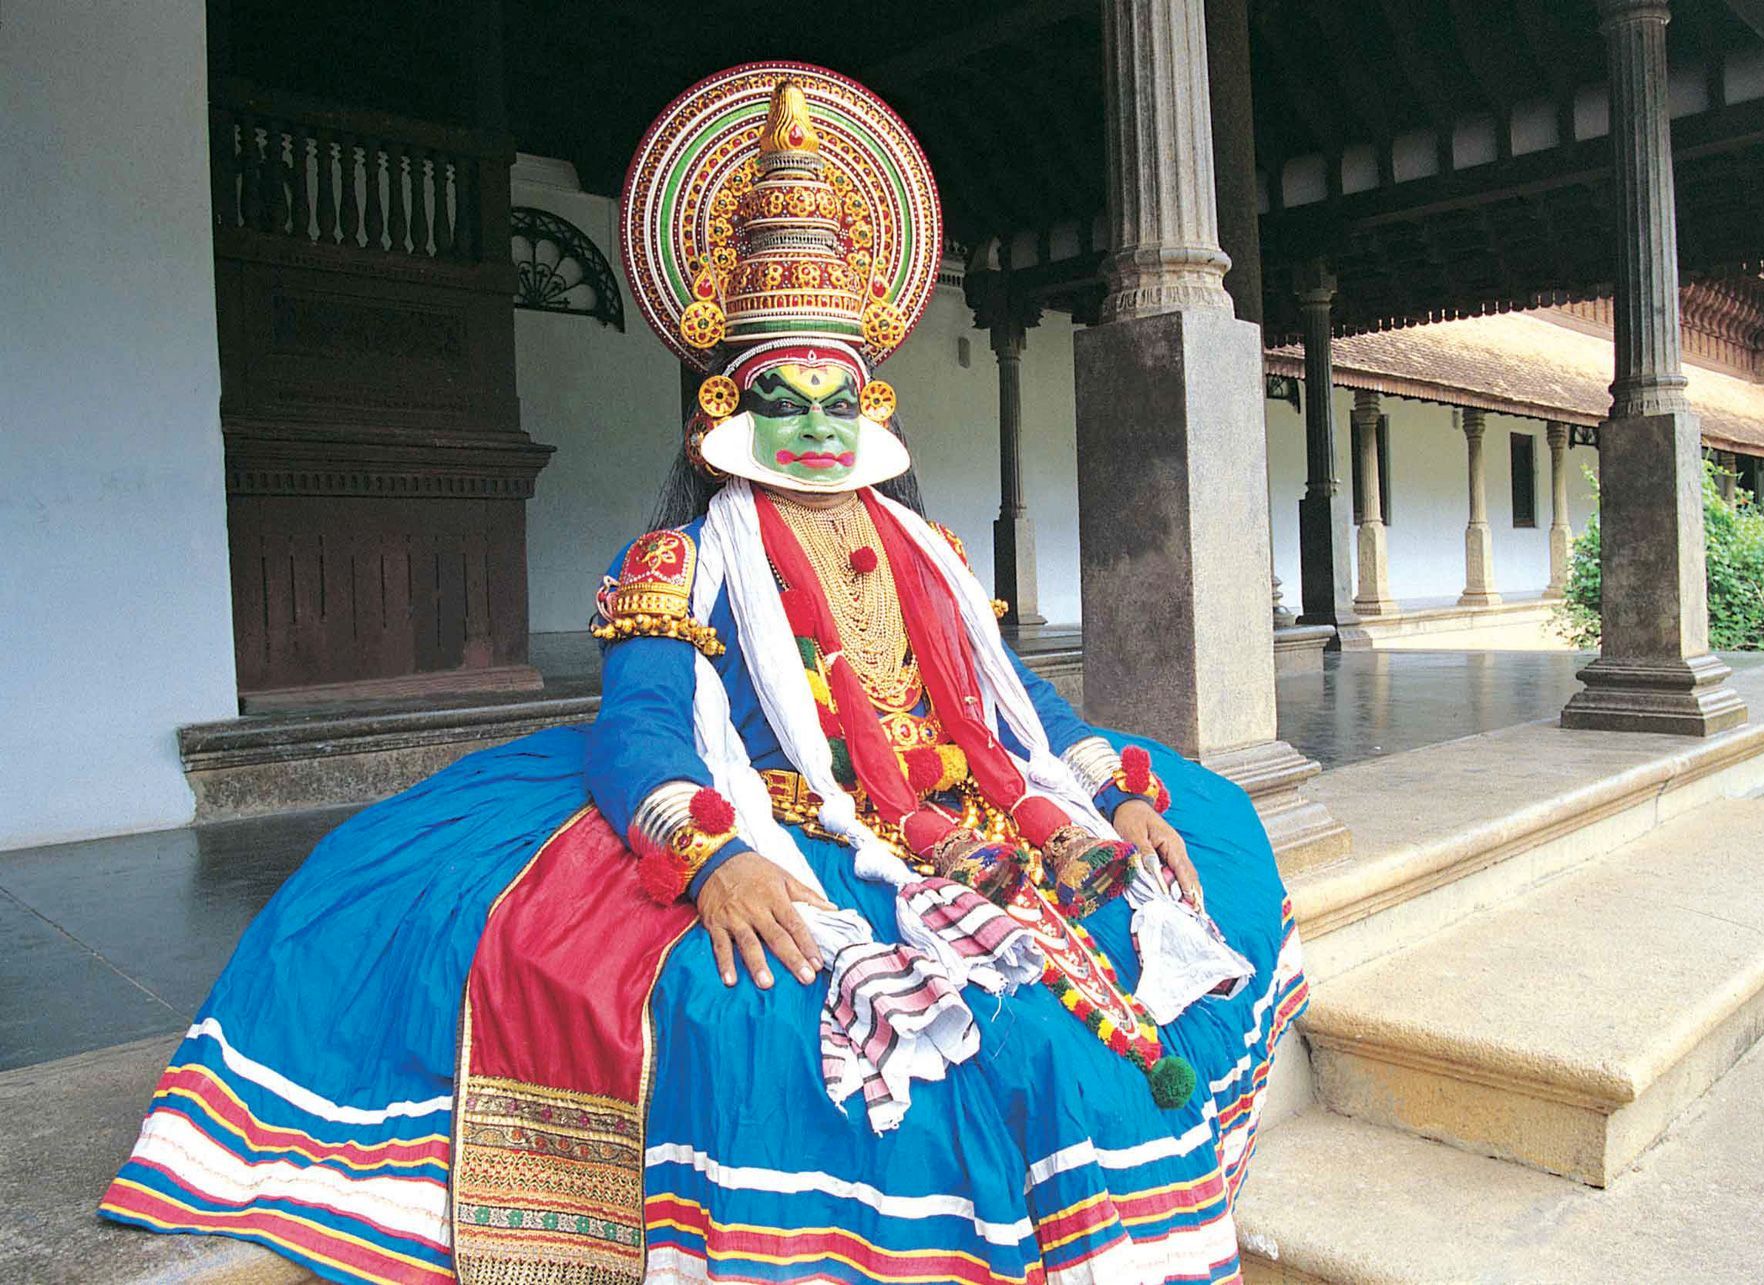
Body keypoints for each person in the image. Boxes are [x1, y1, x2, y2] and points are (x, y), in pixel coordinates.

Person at [101, 63, 1306, 1285]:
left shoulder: (927, 550)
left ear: (875, 402)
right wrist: (715, 856)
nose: (819, 425)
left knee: (1202, 844)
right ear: (725, 406)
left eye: (841, 396)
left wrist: (1116, 792)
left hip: (972, 810)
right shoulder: (681, 558)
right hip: (796, 819)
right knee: (815, 1025)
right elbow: (641, 740)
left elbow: (1011, 707)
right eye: (785, 394)